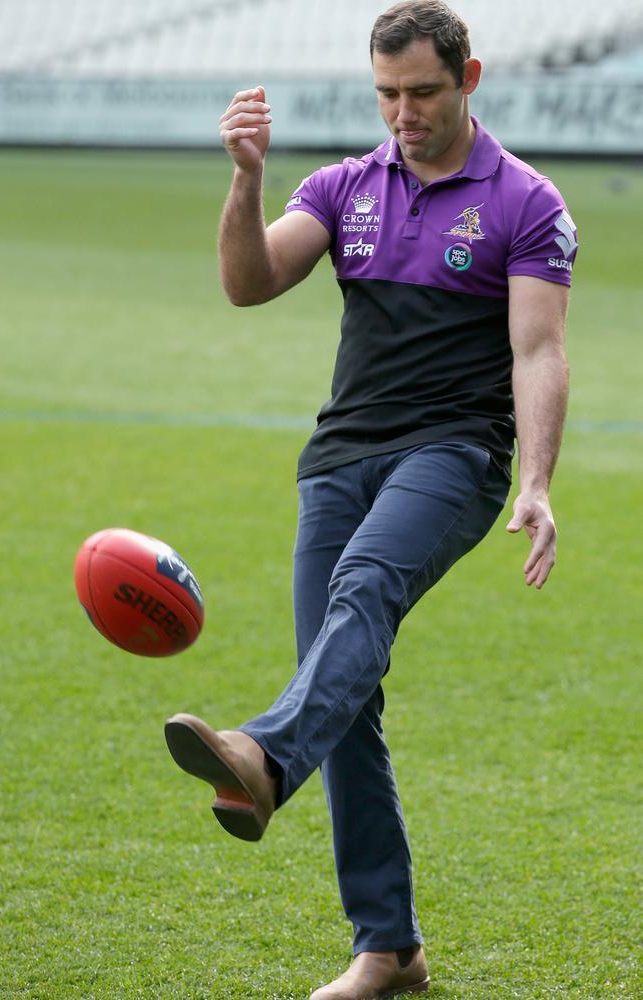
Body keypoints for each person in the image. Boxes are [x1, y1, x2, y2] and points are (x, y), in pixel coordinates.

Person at [164, 2, 577, 996]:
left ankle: (260, 753)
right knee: (341, 691)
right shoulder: (343, 186)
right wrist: (246, 179)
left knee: (361, 587)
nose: (402, 111)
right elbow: (249, 281)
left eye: (422, 92)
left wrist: (535, 481)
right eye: (386, 93)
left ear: (467, 79)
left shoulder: (524, 200)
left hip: (454, 454)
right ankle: (387, 948)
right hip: (338, 456)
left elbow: (538, 348)